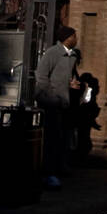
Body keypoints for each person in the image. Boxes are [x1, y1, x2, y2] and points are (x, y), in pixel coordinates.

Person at [35, 26, 80, 189]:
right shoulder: (52, 53)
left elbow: (62, 76)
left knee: (63, 137)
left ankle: (60, 166)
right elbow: (41, 76)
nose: (77, 39)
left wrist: (71, 83)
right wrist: (52, 97)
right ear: (67, 38)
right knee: (51, 139)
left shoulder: (72, 56)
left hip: (65, 103)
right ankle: (48, 173)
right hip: (52, 103)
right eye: (74, 36)